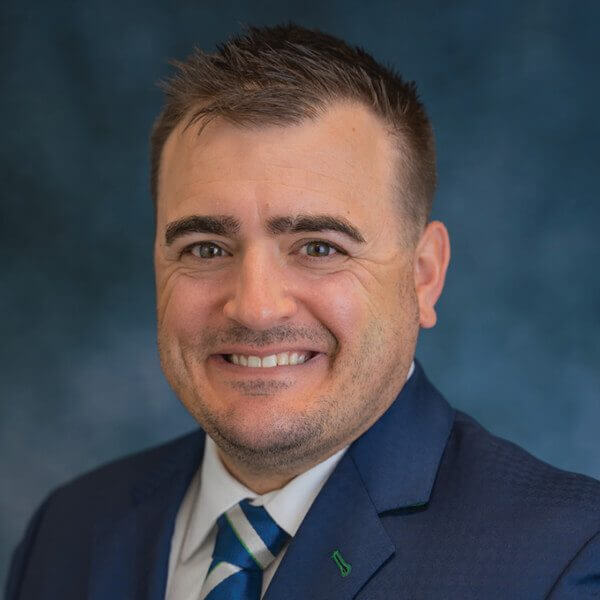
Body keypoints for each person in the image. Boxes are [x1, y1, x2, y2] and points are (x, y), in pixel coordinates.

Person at [6, 23, 600, 600]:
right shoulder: (68, 532)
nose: (256, 308)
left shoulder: (564, 558)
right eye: (206, 249)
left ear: (424, 276)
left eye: (319, 248)